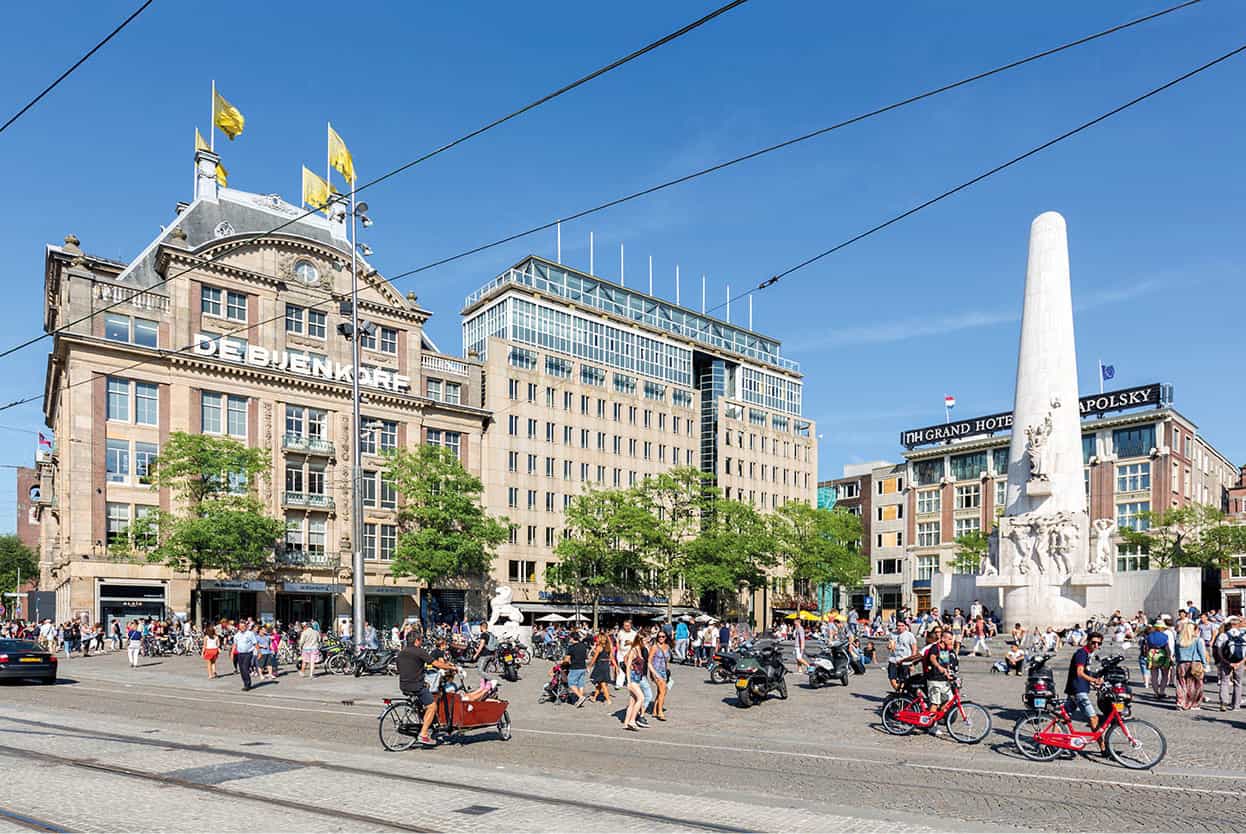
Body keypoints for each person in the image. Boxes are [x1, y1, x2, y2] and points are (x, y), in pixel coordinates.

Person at [396, 633, 456, 747]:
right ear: (417, 641)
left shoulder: (401, 653)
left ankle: (425, 722)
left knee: (426, 692)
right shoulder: (419, 651)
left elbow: (399, 668)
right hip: (416, 686)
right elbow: (436, 663)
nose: (421, 642)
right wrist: (451, 667)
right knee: (432, 706)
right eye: (421, 640)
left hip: (404, 685)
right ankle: (423, 734)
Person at [1064, 632, 1104, 750]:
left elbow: (1085, 673)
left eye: (1099, 643)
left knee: (1063, 718)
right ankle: (1103, 748)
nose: (1096, 645)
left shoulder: (1088, 654)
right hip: (1078, 691)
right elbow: (1079, 672)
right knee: (1093, 718)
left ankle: (1051, 742)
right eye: (1093, 642)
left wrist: (1093, 681)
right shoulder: (1082, 653)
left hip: (1075, 689)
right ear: (1088, 641)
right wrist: (1094, 680)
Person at [1173, 620, 1208, 710]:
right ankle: (1194, 704)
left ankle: (1181, 702)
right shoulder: (1197, 640)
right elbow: (1201, 653)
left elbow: (1176, 654)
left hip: (1181, 663)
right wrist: (1205, 664)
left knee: (1181, 684)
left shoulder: (1178, 640)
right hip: (1195, 663)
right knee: (1196, 685)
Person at [1213, 617, 1245, 711]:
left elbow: (1219, 650)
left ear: (1230, 625)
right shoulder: (1244, 636)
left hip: (1226, 661)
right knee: (1238, 683)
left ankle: (1224, 702)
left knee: (1224, 681)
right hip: (1240, 662)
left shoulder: (1223, 635)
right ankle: (1236, 705)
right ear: (1238, 625)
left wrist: (1225, 661)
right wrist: (1240, 663)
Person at [923, 631, 958, 716]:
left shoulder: (946, 649)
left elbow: (946, 663)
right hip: (934, 679)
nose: (951, 641)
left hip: (944, 680)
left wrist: (949, 674)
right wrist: (939, 667)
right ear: (943, 638)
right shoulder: (935, 647)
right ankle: (931, 726)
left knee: (951, 699)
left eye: (951, 639)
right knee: (935, 703)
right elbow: (932, 658)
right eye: (949, 639)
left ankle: (936, 717)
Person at [621, 628, 647, 732]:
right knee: (641, 698)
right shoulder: (634, 649)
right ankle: (632, 721)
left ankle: (626, 723)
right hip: (632, 677)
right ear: (640, 640)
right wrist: (628, 681)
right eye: (645, 641)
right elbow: (627, 665)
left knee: (632, 702)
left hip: (637, 677)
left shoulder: (639, 649)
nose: (646, 643)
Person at [886, 620, 919, 691]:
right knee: (892, 678)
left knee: (904, 679)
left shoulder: (909, 635)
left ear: (905, 626)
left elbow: (914, 648)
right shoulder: (892, 634)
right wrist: (888, 646)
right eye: (898, 626)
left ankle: (902, 693)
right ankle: (898, 691)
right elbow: (890, 645)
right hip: (893, 659)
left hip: (905, 660)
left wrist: (912, 662)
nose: (900, 627)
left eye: (902, 626)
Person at [562, 629, 591, 708]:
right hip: (583, 667)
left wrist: (562, 662)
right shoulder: (583, 645)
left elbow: (567, 660)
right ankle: (580, 698)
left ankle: (580, 697)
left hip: (575, 667)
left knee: (571, 683)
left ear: (572, 638)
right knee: (580, 684)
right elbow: (586, 657)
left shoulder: (571, 647)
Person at [587, 631, 615, 705]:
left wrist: (589, 666)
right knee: (600, 683)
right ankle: (594, 698)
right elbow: (611, 657)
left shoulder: (599, 647)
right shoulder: (608, 647)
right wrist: (615, 666)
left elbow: (594, 658)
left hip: (600, 665)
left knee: (602, 683)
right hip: (606, 665)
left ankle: (608, 700)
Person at [649, 630, 671, 721]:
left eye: (663, 636)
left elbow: (667, 660)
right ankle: (660, 712)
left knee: (662, 691)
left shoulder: (667, 646)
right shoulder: (654, 647)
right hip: (656, 671)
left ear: (666, 638)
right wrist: (652, 673)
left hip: (664, 671)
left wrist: (668, 669)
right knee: (662, 691)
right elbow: (649, 661)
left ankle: (654, 710)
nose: (661, 638)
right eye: (659, 637)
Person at [234, 620, 258, 691]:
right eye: (240, 626)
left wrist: (259, 653)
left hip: (248, 653)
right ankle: (245, 683)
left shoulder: (250, 634)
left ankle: (248, 684)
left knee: (245, 668)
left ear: (246, 627)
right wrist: (232, 653)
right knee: (241, 669)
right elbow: (235, 645)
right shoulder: (236, 635)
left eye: (243, 626)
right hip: (240, 654)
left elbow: (255, 643)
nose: (241, 628)